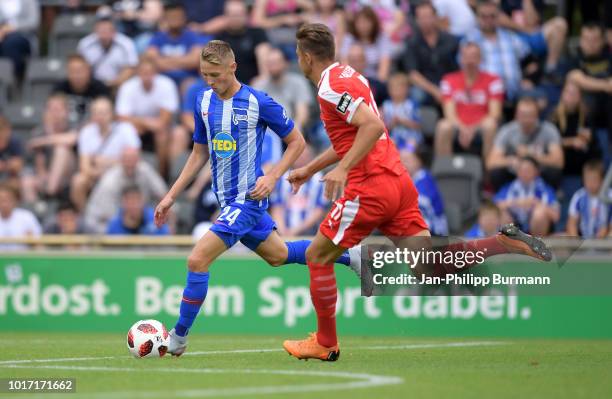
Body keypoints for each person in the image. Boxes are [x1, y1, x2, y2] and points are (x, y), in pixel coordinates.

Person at [282, 23, 552, 361]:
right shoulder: (352, 76)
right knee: (429, 267)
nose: (298, 61)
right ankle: (502, 242)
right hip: (398, 181)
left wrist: (342, 169)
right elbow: (357, 135)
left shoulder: (329, 88)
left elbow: (373, 127)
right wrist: (310, 168)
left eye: (297, 56)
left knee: (317, 256)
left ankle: (326, 341)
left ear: (307, 58)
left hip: (370, 186)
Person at [152, 40, 362, 356]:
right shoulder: (203, 100)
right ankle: (351, 256)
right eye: (205, 74)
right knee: (278, 255)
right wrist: (170, 196)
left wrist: (273, 175)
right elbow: (199, 153)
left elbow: (297, 142)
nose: (210, 81)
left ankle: (178, 338)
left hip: (248, 199)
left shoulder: (258, 102)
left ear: (232, 67)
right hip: (226, 200)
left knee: (197, 260)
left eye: (216, 74)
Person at [70, 97, 141, 210]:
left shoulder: (126, 129)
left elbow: (135, 158)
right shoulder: (86, 132)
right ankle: (86, 216)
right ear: (92, 115)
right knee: (78, 181)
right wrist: (103, 172)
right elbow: (84, 167)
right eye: (97, 113)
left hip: (122, 174)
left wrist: (105, 161)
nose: (100, 116)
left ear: (111, 114)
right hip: (96, 175)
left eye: (104, 113)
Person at [435, 42, 503, 158]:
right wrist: (463, 129)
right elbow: (449, 114)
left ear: (480, 59)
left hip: (481, 125)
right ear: (461, 59)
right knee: (443, 126)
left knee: (490, 125)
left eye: (474, 57)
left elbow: (495, 113)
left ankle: (489, 171)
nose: (470, 61)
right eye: (466, 57)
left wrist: (472, 130)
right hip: (457, 125)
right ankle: (444, 171)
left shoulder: (493, 80)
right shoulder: (448, 80)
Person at [116, 57, 180, 177]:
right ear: (137, 73)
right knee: (126, 129)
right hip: (137, 128)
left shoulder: (166, 84)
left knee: (162, 134)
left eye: (149, 72)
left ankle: (162, 175)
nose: (146, 75)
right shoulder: (127, 87)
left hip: (160, 129)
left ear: (155, 72)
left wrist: (141, 122)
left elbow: (164, 120)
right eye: (143, 72)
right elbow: (121, 117)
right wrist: (145, 123)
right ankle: (133, 173)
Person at [487, 97, 564, 191]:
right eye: (523, 115)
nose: (526, 119)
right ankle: (503, 197)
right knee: (496, 172)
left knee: (554, 172)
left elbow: (559, 162)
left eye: (530, 115)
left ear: (537, 115)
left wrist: (532, 155)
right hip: (514, 172)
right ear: (516, 115)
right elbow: (491, 162)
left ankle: (549, 197)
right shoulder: (507, 131)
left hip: (539, 173)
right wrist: (511, 160)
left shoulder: (549, 130)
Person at [85, 147, 167, 234]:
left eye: (133, 159)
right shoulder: (110, 182)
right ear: (121, 161)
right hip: (101, 223)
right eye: (127, 159)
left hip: (136, 220)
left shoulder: (144, 170)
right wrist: (132, 214)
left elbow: (163, 194)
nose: (130, 163)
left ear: (138, 159)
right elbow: (112, 219)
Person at [463, 1, 530, 101]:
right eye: (484, 16)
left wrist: (528, 79)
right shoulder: (469, 41)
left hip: (514, 93)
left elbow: (530, 61)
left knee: (538, 96)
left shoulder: (511, 38)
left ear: (498, 17)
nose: (488, 20)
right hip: (484, 96)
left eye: (492, 16)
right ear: (477, 18)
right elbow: (464, 70)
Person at [398, 2, 459, 107]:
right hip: (425, 86)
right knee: (416, 95)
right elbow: (413, 74)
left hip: (449, 83)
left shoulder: (451, 40)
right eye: (421, 18)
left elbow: (458, 69)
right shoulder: (411, 42)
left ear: (435, 17)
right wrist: (435, 91)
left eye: (428, 17)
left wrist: (447, 88)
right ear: (416, 20)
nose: (425, 21)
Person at [23, 94, 78, 203]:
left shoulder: (73, 125)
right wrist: (42, 174)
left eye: (57, 109)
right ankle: (35, 211)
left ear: (66, 111)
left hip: (69, 174)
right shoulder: (40, 130)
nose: (54, 113)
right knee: (27, 181)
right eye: (50, 109)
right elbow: (38, 154)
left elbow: (72, 139)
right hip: (48, 174)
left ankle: (49, 193)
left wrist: (44, 140)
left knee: (61, 149)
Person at [145, 2, 211, 89]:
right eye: (171, 16)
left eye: (177, 16)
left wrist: (164, 60)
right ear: (165, 18)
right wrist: (184, 60)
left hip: (187, 78)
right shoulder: (157, 37)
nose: (174, 19)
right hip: (162, 79)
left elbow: (195, 60)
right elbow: (152, 61)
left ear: (184, 18)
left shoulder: (193, 36)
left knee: (190, 85)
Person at [270, 144, 327, 237]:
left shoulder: (319, 179)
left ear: (311, 158)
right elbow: (276, 208)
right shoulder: (282, 177)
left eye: (305, 156)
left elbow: (319, 211)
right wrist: (282, 230)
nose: (301, 159)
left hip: (309, 231)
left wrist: (295, 231)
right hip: (282, 230)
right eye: (299, 156)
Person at [494, 156, 559, 237]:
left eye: (528, 170)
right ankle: (509, 245)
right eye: (521, 170)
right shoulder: (508, 187)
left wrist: (537, 203)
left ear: (536, 172)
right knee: (502, 213)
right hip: (515, 226)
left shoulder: (545, 189)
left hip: (537, 230)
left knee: (540, 213)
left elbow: (555, 216)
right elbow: (494, 207)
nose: (524, 173)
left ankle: (537, 246)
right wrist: (516, 202)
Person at [77, 11, 139, 90]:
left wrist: (115, 83)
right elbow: (79, 66)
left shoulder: (126, 43)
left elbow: (131, 68)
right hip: (92, 86)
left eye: (107, 27)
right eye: (101, 27)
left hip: (118, 85)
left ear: (114, 29)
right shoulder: (85, 44)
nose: (104, 30)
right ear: (95, 29)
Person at [216, 0, 272, 85]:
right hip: (228, 84)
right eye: (233, 15)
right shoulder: (219, 38)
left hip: (255, 83)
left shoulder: (257, 33)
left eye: (239, 15)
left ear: (246, 15)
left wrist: (263, 78)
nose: (236, 18)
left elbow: (264, 57)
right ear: (225, 16)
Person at [53, 54, 112, 126]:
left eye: (79, 71)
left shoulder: (100, 89)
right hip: (65, 132)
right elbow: (51, 115)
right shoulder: (59, 89)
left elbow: (107, 116)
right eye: (72, 71)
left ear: (88, 71)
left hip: (93, 132)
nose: (76, 75)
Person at [400, 149, 448, 236]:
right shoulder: (404, 180)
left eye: (407, 160)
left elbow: (423, 205)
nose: (403, 163)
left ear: (418, 162)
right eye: (400, 160)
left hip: (435, 230)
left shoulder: (424, 178)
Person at [340, 7, 392, 82]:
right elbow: (344, 64)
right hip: (352, 81)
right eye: (360, 22)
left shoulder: (382, 38)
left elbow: (384, 69)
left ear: (373, 23)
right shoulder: (349, 39)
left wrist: (377, 85)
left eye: (366, 22)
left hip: (374, 81)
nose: (363, 26)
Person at [567, 160, 611, 239]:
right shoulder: (579, 196)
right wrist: (576, 242)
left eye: (594, 180)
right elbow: (571, 223)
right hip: (584, 240)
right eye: (587, 180)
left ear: (602, 180)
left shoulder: (609, 196)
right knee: (560, 237)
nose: (590, 183)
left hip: (605, 240)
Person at [381, 73, 422, 151]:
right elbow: (383, 128)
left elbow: (417, 125)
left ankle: (409, 153)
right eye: (393, 88)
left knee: (411, 144)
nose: (396, 91)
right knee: (390, 144)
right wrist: (392, 123)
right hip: (393, 135)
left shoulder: (412, 105)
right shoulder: (386, 105)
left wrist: (402, 121)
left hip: (411, 135)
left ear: (406, 89)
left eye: (399, 88)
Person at [0, 184, 41, 251]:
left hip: (24, 259)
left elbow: (38, 245)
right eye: (1, 200)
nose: (4, 203)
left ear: (14, 200)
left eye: (7, 199)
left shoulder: (27, 217)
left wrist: (32, 241)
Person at [0, 116, 24, 195]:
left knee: (16, 184)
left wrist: (4, 165)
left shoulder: (14, 142)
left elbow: (17, 165)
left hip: (10, 176)